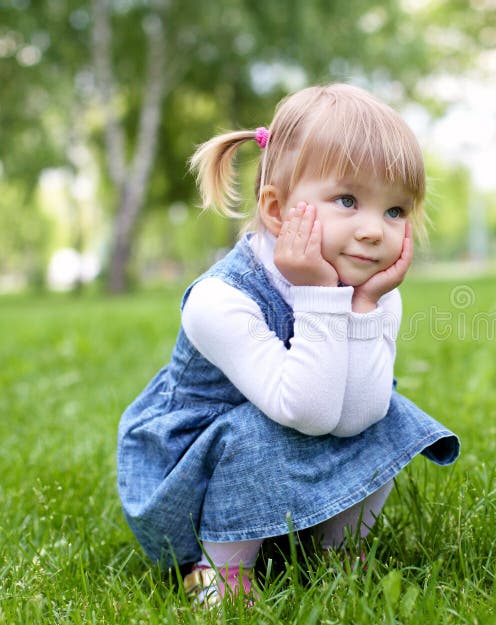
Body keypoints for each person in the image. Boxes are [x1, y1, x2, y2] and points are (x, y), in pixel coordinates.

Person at [117, 83, 460, 608]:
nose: (374, 230)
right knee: (255, 429)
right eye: (347, 200)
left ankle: (338, 550)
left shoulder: (373, 294)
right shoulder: (219, 300)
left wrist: (362, 308)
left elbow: (358, 417)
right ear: (276, 210)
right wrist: (322, 296)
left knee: (390, 413)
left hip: (295, 439)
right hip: (189, 480)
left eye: (395, 210)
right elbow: (304, 409)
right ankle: (219, 571)